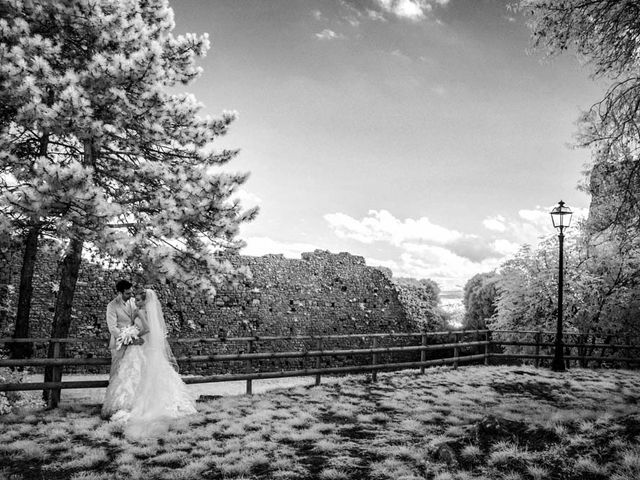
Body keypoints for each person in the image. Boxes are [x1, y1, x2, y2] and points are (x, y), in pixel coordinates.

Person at [101, 280, 147, 419]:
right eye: (127, 293)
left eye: (131, 292)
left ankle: (131, 404)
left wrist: (136, 335)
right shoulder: (112, 306)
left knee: (133, 374)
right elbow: (112, 328)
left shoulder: (134, 302)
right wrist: (127, 338)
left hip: (134, 344)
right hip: (119, 344)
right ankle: (113, 405)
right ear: (119, 292)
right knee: (116, 374)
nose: (130, 295)